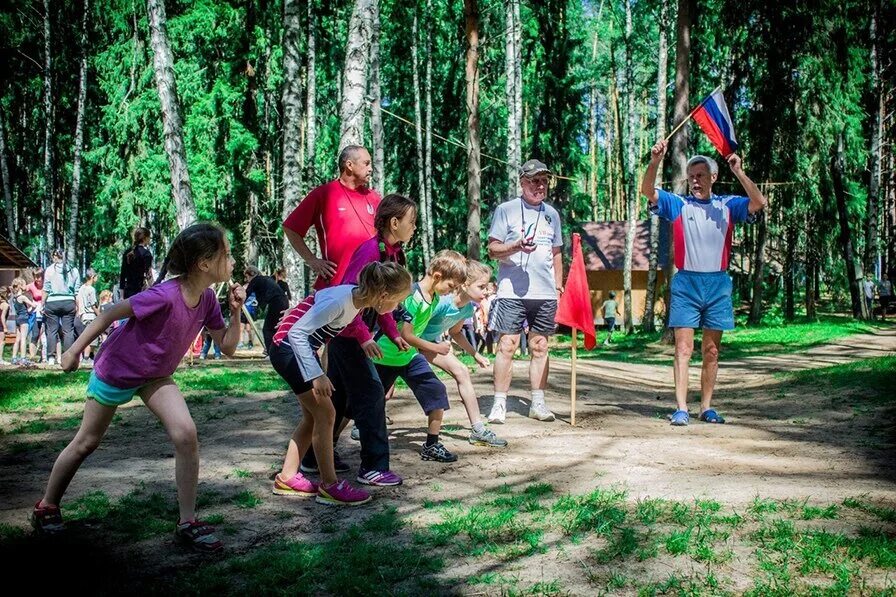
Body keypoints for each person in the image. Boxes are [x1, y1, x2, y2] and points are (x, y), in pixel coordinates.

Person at [30, 223, 246, 554]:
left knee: (186, 434)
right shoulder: (165, 295)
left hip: (156, 375)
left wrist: (234, 313)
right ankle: (47, 506)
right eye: (226, 254)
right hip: (117, 370)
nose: (232, 260)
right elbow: (108, 314)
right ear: (204, 263)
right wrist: (74, 350)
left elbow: (228, 348)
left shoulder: (207, 301)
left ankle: (187, 521)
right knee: (87, 441)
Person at [641, 139, 767, 426]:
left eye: (700, 175)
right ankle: (682, 408)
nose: (695, 181)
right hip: (686, 283)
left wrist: (739, 172)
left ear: (713, 177)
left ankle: (706, 407)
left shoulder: (727, 205)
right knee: (683, 348)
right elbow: (647, 191)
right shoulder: (679, 204)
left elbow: (759, 203)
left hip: (718, 284)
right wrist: (655, 161)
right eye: (692, 176)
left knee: (711, 350)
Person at [269, 261, 412, 504]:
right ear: (383, 296)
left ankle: (287, 476)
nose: (397, 307)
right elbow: (296, 333)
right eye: (397, 301)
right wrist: (316, 374)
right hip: (287, 349)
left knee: (314, 416)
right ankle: (330, 486)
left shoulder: (355, 301)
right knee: (326, 413)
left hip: (293, 349)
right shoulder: (342, 301)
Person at [301, 194, 417, 486]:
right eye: (411, 221)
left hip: (355, 334)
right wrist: (365, 338)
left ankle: (314, 458)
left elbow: (384, 302)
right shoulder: (370, 252)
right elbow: (354, 297)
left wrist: (392, 333)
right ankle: (373, 467)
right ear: (394, 222)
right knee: (371, 393)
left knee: (339, 397)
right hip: (347, 333)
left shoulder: (393, 252)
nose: (414, 227)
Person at [371, 251, 468, 463]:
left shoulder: (433, 298)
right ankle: (330, 443)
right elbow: (406, 335)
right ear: (437, 276)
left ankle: (431, 445)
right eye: (451, 286)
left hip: (408, 358)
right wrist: (436, 348)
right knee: (358, 404)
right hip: (383, 356)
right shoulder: (412, 296)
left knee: (436, 391)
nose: (450, 292)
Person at [487, 159, 564, 424]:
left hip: (545, 292)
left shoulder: (552, 214)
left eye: (543, 180)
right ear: (522, 183)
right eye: (534, 180)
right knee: (507, 344)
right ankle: (499, 404)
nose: (539, 185)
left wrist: (558, 285)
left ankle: (538, 403)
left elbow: (556, 253)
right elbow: (492, 249)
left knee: (540, 346)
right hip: (511, 291)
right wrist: (515, 247)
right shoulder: (505, 210)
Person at [419, 260, 507, 448]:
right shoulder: (442, 303)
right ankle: (362, 423)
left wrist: (475, 354)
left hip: (430, 346)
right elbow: (416, 323)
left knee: (462, 371)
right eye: (481, 286)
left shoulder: (466, 308)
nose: (486, 290)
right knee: (386, 388)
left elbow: (455, 332)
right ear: (465, 285)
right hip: (412, 344)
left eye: (487, 286)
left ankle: (477, 429)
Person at [283, 145, 381, 291]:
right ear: (349, 165)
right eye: (366, 163)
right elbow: (291, 228)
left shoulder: (374, 198)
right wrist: (312, 260)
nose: (371, 168)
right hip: (336, 286)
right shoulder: (324, 194)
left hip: (372, 286)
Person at [43, 249, 81, 365]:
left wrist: (42, 304)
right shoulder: (74, 270)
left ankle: (50, 357)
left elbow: (46, 289)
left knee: (51, 330)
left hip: (52, 302)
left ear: (55, 257)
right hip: (69, 302)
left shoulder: (49, 270)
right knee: (68, 331)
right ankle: (68, 356)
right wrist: (78, 307)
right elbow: (77, 291)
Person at [243, 265, 289, 353]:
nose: (246, 279)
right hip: (283, 301)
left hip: (276, 302)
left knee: (267, 329)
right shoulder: (265, 279)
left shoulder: (255, 280)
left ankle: (270, 352)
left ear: (251, 274)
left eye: (246, 276)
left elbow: (246, 294)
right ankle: (278, 349)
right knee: (277, 327)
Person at [119, 227, 153, 299]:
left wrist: (121, 296)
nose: (150, 239)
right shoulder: (146, 254)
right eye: (149, 237)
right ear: (145, 238)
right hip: (140, 292)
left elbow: (122, 275)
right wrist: (154, 288)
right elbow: (148, 275)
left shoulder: (127, 252)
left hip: (127, 293)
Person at [75, 268, 100, 364]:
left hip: (83, 316)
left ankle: (87, 356)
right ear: (93, 277)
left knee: (85, 336)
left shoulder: (81, 288)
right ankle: (86, 357)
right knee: (92, 338)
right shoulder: (91, 289)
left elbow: (77, 300)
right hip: (90, 315)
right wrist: (99, 315)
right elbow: (93, 305)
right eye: (96, 276)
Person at [10, 278, 36, 365]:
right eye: (24, 284)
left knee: (17, 339)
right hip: (24, 319)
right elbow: (33, 305)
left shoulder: (14, 298)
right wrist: (31, 309)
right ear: (20, 286)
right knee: (24, 338)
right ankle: (23, 358)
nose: (26, 286)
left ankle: (14, 358)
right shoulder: (23, 297)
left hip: (17, 319)